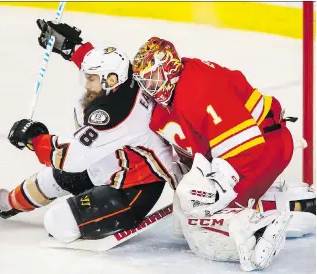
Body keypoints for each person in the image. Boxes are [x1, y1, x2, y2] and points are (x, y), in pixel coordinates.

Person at [131, 37, 315, 271]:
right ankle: (296, 205)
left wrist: (212, 192)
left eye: (152, 77)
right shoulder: (180, 86)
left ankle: (262, 230)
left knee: (202, 218)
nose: (148, 86)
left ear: (169, 68)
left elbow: (246, 149)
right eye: (143, 80)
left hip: (265, 146)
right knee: (190, 211)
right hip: (256, 144)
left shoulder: (198, 89)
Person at [0, 22, 176, 243]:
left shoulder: (115, 115)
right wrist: (73, 48)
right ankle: (5, 203)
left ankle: (98, 213)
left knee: (57, 222)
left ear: (111, 80)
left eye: (91, 78)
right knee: (48, 179)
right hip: (111, 162)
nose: (86, 83)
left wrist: (34, 139)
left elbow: (70, 158)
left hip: (135, 186)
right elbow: (105, 66)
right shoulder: (126, 79)